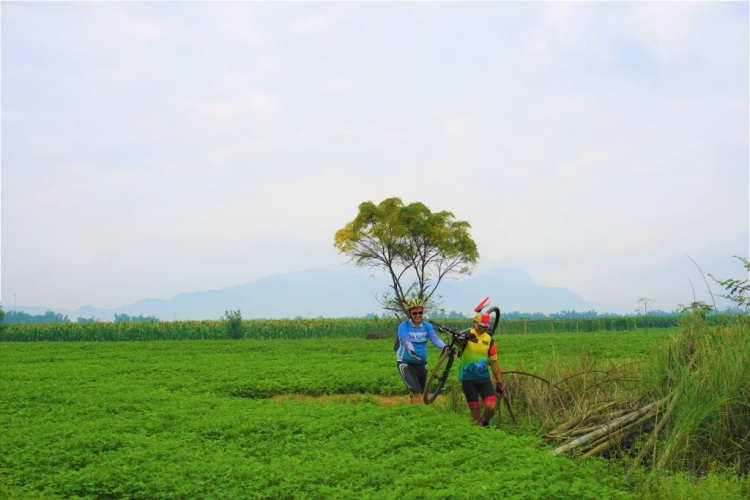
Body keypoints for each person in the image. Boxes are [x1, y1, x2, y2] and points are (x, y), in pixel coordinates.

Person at [457, 312, 506, 426]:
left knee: (491, 406)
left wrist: (499, 382)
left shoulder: (490, 340)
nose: (483, 329)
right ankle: (479, 433)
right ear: (475, 323)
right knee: (475, 413)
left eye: (485, 327)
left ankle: (485, 421)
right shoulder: (466, 335)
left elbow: (494, 362)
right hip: (468, 378)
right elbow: (456, 344)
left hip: (484, 378)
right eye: (481, 326)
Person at [395, 298, 446, 404]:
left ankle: (408, 416)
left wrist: (445, 348)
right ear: (410, 313)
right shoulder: (404, 326)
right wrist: (412, 351)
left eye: (420, 312)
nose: (418, 315)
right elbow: (406, 340)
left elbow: (435, 339)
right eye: (415, 313)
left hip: (422, 364)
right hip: (406, 364)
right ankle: (423, 419)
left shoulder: (427, 326)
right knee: (418, 394)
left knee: (417, 394)